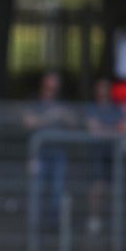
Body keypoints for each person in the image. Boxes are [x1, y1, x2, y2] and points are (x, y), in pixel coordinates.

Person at [24, 72, 76, 227]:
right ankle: (34, 225)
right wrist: (51, 116)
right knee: (36, 189)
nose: (53, 86)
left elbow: (73, 122)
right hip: (38, 153)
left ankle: (54, 223)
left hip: (58, 152)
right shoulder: (35, 101)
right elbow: (29, 122)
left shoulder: (62, 102)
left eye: (55, 83)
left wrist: (63, 115)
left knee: (57, 189)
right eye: (50, 82)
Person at [84, 79, 126, 237]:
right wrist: (113, 131)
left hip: (114, 155)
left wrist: (106, 131)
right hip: (97, 153)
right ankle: (94, 219)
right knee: (97, 187)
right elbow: (93, 129)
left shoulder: (117, 108)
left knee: (112, 189)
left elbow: (124, 128)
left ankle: (113, 222)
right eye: (100, 88)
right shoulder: (92, 108)